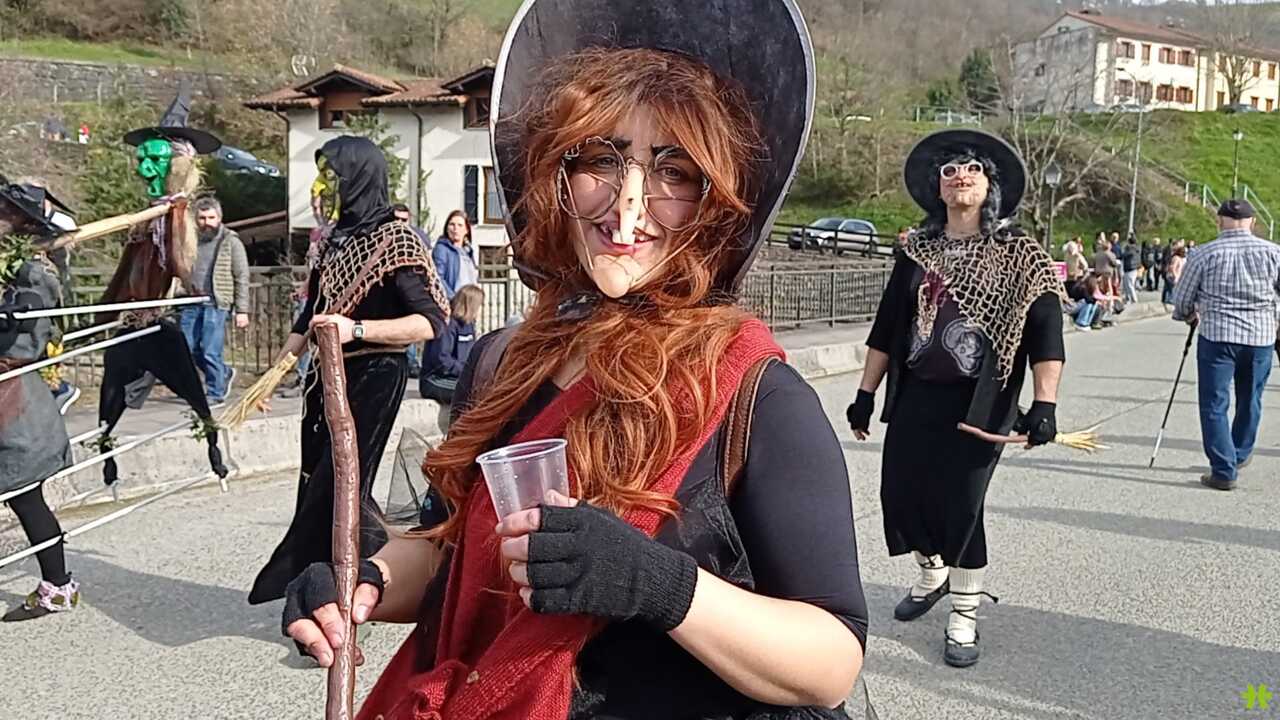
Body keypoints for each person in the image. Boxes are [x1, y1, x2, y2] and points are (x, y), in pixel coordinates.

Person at [282, 3, 869, 718]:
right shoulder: (505, 363)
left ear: (712, 203)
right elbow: (452, 552)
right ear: (558, 175)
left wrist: (657, 583)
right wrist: (365, 581)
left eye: (674, 171)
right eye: (599, 160)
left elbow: (831, 661)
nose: (627, 207)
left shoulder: (756, 393)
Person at [847, 128, 1066, 668]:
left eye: (972, 168)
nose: (960, 176)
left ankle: (964, 614)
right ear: (937, 187)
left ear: (990, 186)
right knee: (901, 496)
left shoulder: (1019, 254)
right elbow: (887, 328)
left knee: (962, 506)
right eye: (949, 170)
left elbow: (1046, 334)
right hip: (917, 394)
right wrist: (864, 394)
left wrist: (1044, 404)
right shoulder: (916, 253)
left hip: (979, 404)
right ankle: (933, 573)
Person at [247, 135, 450, 605]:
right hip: (324, 379)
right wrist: (273, 377)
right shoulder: (334, 243)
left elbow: (430, 323)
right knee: (320, 486)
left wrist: (354, 329)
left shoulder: (397, 239)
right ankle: (379, 575)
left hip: (376, 373)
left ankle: (325, 596)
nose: (325, 185)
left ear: (358, 177)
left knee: (337, 489)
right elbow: (308, 318)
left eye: (333, 175)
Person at [94, 83, 229, 487]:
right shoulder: (148, 219)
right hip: (131, 325)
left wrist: (172, 218)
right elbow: (124, 273)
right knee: (109, 396)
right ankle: (106, 458)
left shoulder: (174, 217)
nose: (144, 170)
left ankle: (214, 450)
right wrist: (99, 316)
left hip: (155, 324)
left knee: (193, 392)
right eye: (143, 161)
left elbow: (179, 264)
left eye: (155, 161)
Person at [0, 179, 82, 622]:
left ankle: (59, 586)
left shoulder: (34, 273)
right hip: (11, 400)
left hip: (17, 408)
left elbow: (28, 342)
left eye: (3, 211)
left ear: (22, 223)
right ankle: (59, 584)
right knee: (25, 499)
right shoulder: (10, 265)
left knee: (26, 498)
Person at [1171, 199, 1280, 491]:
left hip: (1218, 336)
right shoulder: (1274, 253)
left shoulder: (1203, 253)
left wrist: (1187, 314)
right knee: (1251, 398)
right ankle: (1240, 453)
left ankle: (1223, 469)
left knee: (1214, 403)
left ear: (1219, 221)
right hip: (1260, 337)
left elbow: (1182, 299)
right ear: (1252, 222)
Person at [178, 196, 249, 404]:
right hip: (191, 301)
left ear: (219, 218)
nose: (206, 222)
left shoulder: (230, 241)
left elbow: (241, 275)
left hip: (216, 302)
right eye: (202, 218)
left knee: (210, 349)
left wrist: (242, 310)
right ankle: (224, 373)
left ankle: (215, 392)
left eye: (211, 217)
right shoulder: (190, 240)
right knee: (186, 349)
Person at [418, 283, 482, 404]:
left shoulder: (468, 324)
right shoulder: (447, 324)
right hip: (435, 379)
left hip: (457, 377)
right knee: (471, 394)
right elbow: (442, 360)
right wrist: (465, 370)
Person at [430, 209, 480, 298]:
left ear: (466, 230)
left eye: (460, 225)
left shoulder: (468, 251)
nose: (455, 229)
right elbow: (438, 278)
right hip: (454, 301)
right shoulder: (442, 249)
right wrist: (453, 299)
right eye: (452, 224)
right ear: (447, 228)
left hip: (470, 301)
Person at [1162, 240, 1186, 307]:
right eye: (1183, 252)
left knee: (1168, 289)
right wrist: (1175, 276)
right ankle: (1170, 301)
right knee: (1172, 289)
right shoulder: (1176, 258)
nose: (1184, 253)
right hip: (1172, 276)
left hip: (1176, 276)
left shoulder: (1181, 258)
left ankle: (1166, 300)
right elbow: (1172, 268)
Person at [1120, 234, 1140, 304]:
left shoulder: (1130, 249)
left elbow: (1123, 255)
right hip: (1134, 268)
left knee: (1129, 285)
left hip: (1130, 268)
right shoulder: (1137, 248)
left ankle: (1134, 299)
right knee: (1128, 284)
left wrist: (1124, 248)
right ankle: (1128, 298)